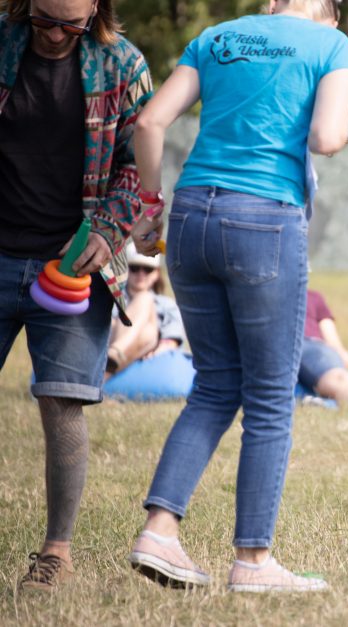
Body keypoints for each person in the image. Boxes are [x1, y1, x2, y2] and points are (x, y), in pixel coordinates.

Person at [127, 0, 348, 593]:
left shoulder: (218, 36)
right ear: (326, 11)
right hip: (263, 220)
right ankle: (253, 563)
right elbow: (327, 138)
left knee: (214, 386)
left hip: (192, 215)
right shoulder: (329, 44)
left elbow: (150, 124)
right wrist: (342, 110)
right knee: (271, 398)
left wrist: (148, 215)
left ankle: (159, 532)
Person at [0, 0, 152, 591]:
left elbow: (140, 163)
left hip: (72, 265)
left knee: (62, 404)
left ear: (96, 9)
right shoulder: (4, 45)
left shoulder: (121, 64)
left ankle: (55, 552)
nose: (57, 35)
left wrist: (110, 231)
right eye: (45, 21)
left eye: (72, 23)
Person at [105, 242, 184, 376]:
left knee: (145, 300)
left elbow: (173, 338)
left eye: (147, 269)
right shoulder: (109, 298)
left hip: (147, 351)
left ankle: (114, 355)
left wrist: (164, 347)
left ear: (156, 273)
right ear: (125, 269)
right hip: (113, 341)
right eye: (135, 268)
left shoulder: (167, 305)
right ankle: (115, 354)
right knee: (145, 330)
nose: (141, 274)